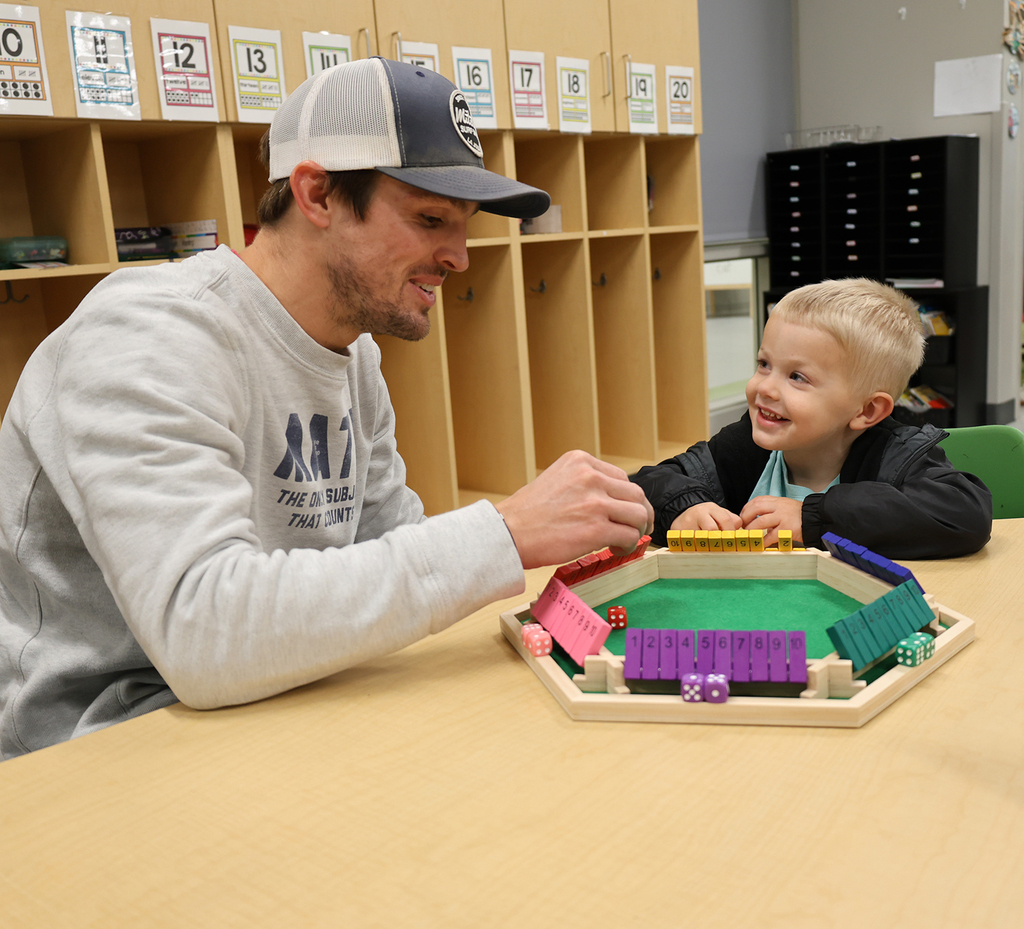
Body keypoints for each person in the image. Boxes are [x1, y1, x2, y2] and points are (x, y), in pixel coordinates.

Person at [0, 58, 653, 759]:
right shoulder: (148, 337)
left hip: (276, 701)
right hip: (97, 749)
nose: (461, 257)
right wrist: (504, 533)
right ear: (317, 194)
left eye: (463, 225)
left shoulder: (355, 353)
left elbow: (387, 551)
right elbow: (201, 631)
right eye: (431, 219)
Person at [632, 278, 991, 559]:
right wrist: (688, 507)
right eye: (764, 364)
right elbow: (652, 480)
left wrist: (812, 517)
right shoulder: (746, 446)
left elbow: (966, 514)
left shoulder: (895, 457)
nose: (765, 388)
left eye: (797, 377)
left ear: (866, 411)